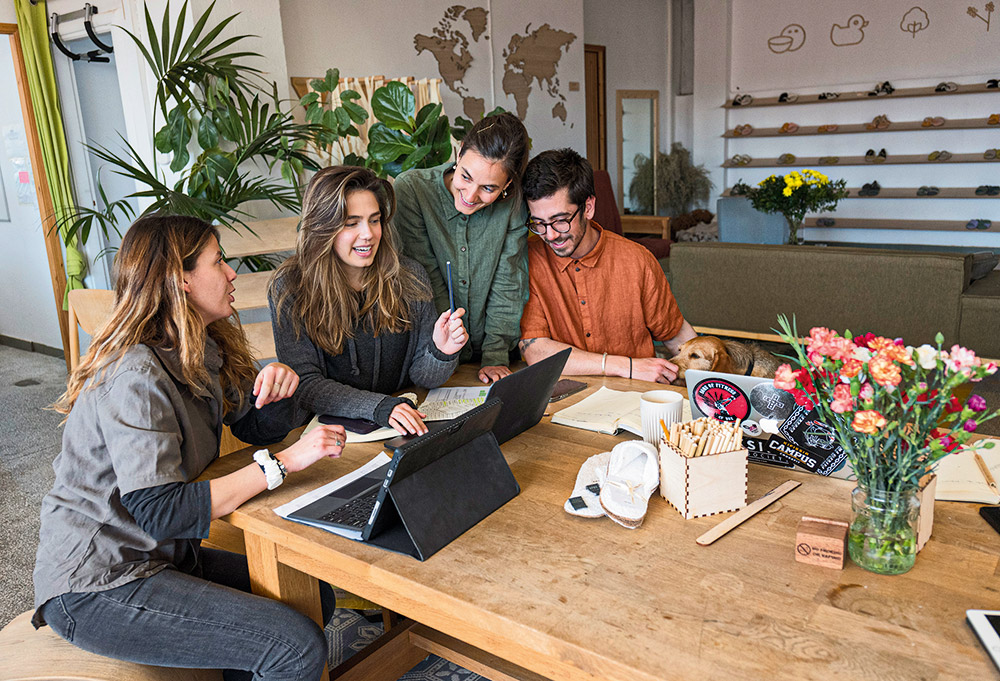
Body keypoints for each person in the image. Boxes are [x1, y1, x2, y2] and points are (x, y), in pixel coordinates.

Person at [33, 214, 345, 680]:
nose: (232, 273)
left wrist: (283, 390)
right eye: (219, 262)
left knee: (311, 594)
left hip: (159, 556)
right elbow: (160, 511)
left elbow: (255, 424)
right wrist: (282, 465)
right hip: (98, 584)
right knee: (295, 647)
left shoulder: (197, 346)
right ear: (181, 280)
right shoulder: (135, 376)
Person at [270, 166, 468, 436]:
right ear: (322, 227)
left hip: (400, 426)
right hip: (328, 437)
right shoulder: (290, 288)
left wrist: (442, 351)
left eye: (374, 220)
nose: (369, 234)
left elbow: (423, 377)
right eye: (352, 223)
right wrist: (381, 407)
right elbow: (305, 384)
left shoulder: (410, 277)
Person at [518, 148, 697, 383]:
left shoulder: (637, 260)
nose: (550, 235)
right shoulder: (529, 261)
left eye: (560, 221)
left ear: (588, 207)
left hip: (636, 398)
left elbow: (677, 338)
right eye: (539, 223)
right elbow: (536, 351)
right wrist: (626, 365)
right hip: (566, 403)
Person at [394, 112, 530, 384]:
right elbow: (425, 280)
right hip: (434, 354)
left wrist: (495, 356)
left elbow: (508, 284)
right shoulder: (412, 191)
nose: (470, 196)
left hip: (494, 354)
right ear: (458, 155)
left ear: (508, 185)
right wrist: (448, 351)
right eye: (465, 176)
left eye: (489, 188)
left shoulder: (513, 205)